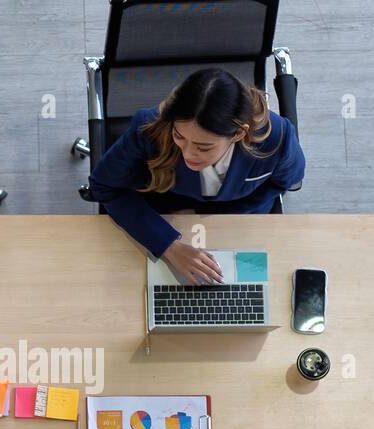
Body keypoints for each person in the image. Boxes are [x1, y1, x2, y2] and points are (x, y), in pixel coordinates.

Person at [88, 67, 305, 285]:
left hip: (239, 222)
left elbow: (283, 182)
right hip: (163, 219)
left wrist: (207, 212)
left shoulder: (277, 139)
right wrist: (168, 246)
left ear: (238, 134)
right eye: (179, 136)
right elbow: (103, 186)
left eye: (204, 147)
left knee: (251, 298)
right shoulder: (149, 127)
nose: (188, 154)